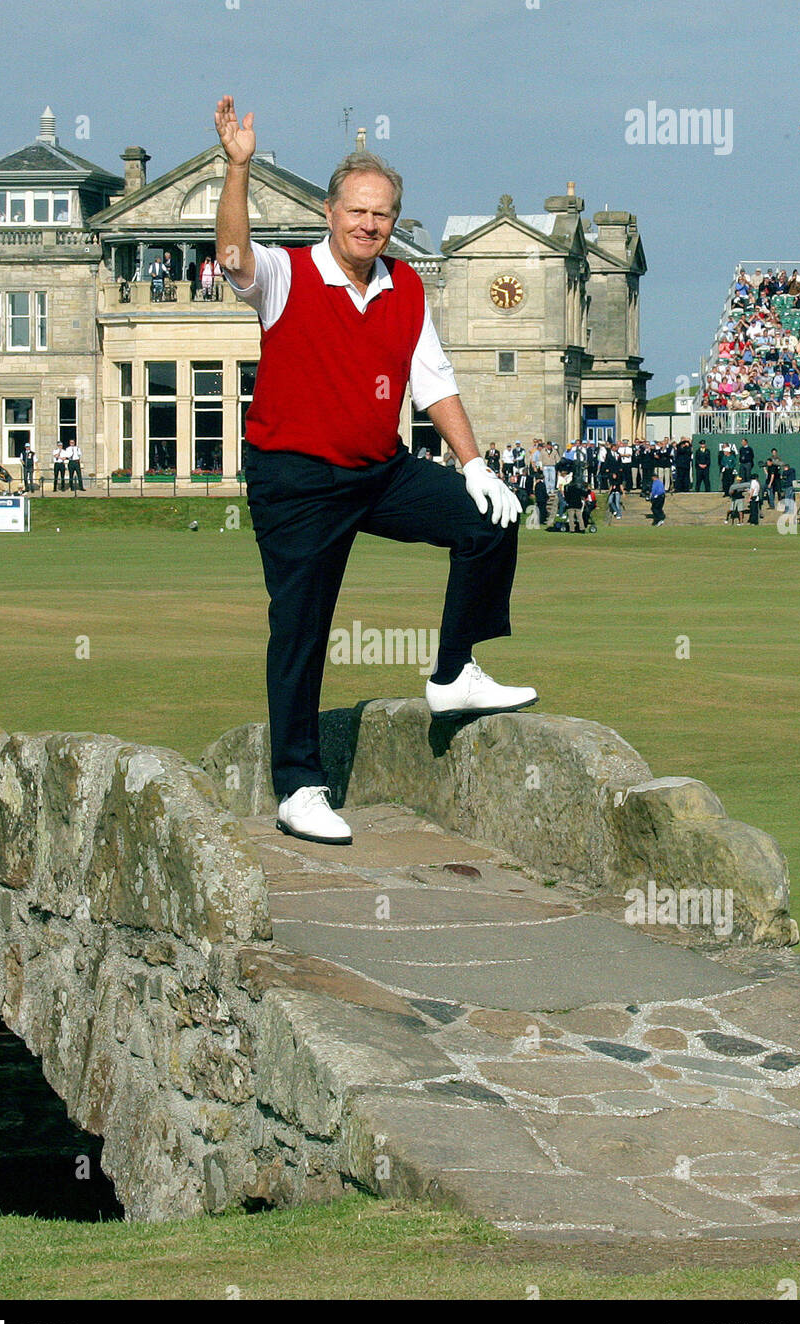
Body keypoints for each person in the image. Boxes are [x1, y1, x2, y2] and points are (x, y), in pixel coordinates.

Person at [213, 94, 535, 846]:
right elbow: (232, 256)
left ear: (394, 220)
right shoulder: (287, 275)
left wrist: (476, 464)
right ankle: (297, 785)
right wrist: (239, 169)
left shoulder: (407, 286)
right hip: (293, 477)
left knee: (489, 521)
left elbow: (434, 378)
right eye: (357, 211)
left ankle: (454, 673)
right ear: (330, 212)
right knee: (301, 624)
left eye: (382, 214)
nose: (369, 224)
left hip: (377, 470)